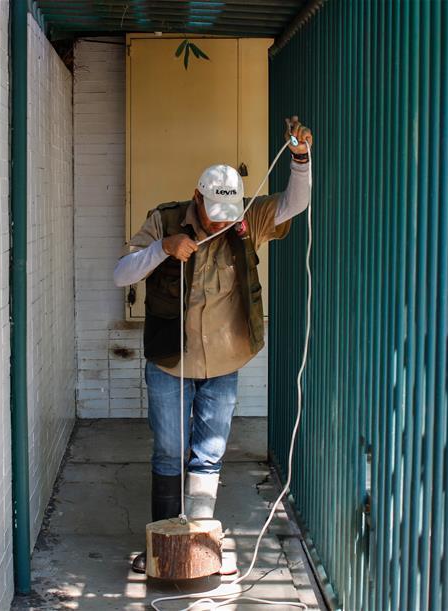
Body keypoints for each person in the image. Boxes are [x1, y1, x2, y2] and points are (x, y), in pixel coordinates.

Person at [113, 117, 314, 575]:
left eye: (229, 215)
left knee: (209, 453)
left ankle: (199, 543)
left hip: (223, 360)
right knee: (168, 450)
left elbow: (294, 204)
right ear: (197, 198)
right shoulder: (163, 219)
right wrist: (163, 248)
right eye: (211, 215)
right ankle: (162, 544)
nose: (219, 224)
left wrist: (300, 159)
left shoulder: (244, 220)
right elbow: (122, 273)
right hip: (170, 360)